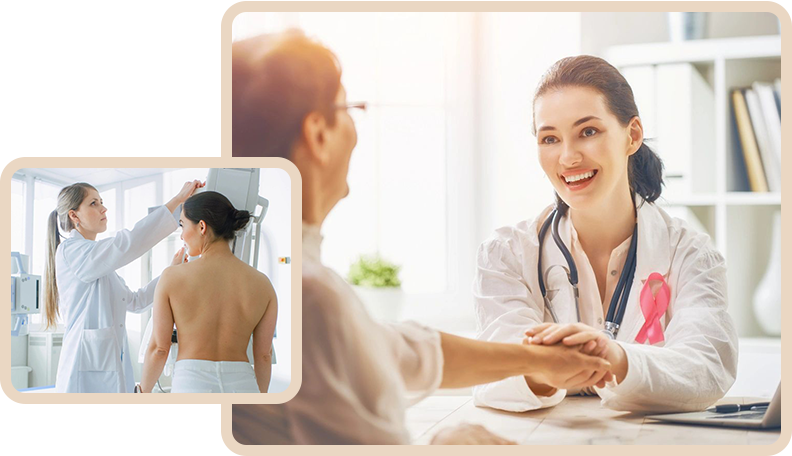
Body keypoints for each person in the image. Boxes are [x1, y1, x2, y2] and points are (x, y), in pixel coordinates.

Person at [231, 31, 612, 445]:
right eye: (349, 109)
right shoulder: (309, 296)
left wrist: (535, 360)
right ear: (318, 134)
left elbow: (392, 348)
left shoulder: (266, 268)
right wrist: (450, 443)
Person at [472, 55, 738, 413]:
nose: (567, 157)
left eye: (588, 131)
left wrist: (615, 358)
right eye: (549, 138)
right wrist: (544, 368)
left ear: (632, 136)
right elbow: (491, 370)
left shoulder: (690, 254)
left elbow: (707, 367)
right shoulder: (506, 253)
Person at [46, 180, 204, 393]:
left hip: (109, 368)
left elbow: (136, 302)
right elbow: (126, 243)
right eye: (93, 203)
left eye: (101, 202)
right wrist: (177, 200)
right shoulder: (72, 252)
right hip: (82, 373)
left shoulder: (99, 263)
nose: (103, 208)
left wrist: (170, 271)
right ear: (74, 216)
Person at [139, 191, 277, 393]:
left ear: (201, 226)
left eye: (182, 225)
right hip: (243, 384)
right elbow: (264, 355)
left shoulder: (172, 277)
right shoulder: (263, 284)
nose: (182, 235)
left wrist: (142, 392)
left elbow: (159, 349)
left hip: (192, 383)